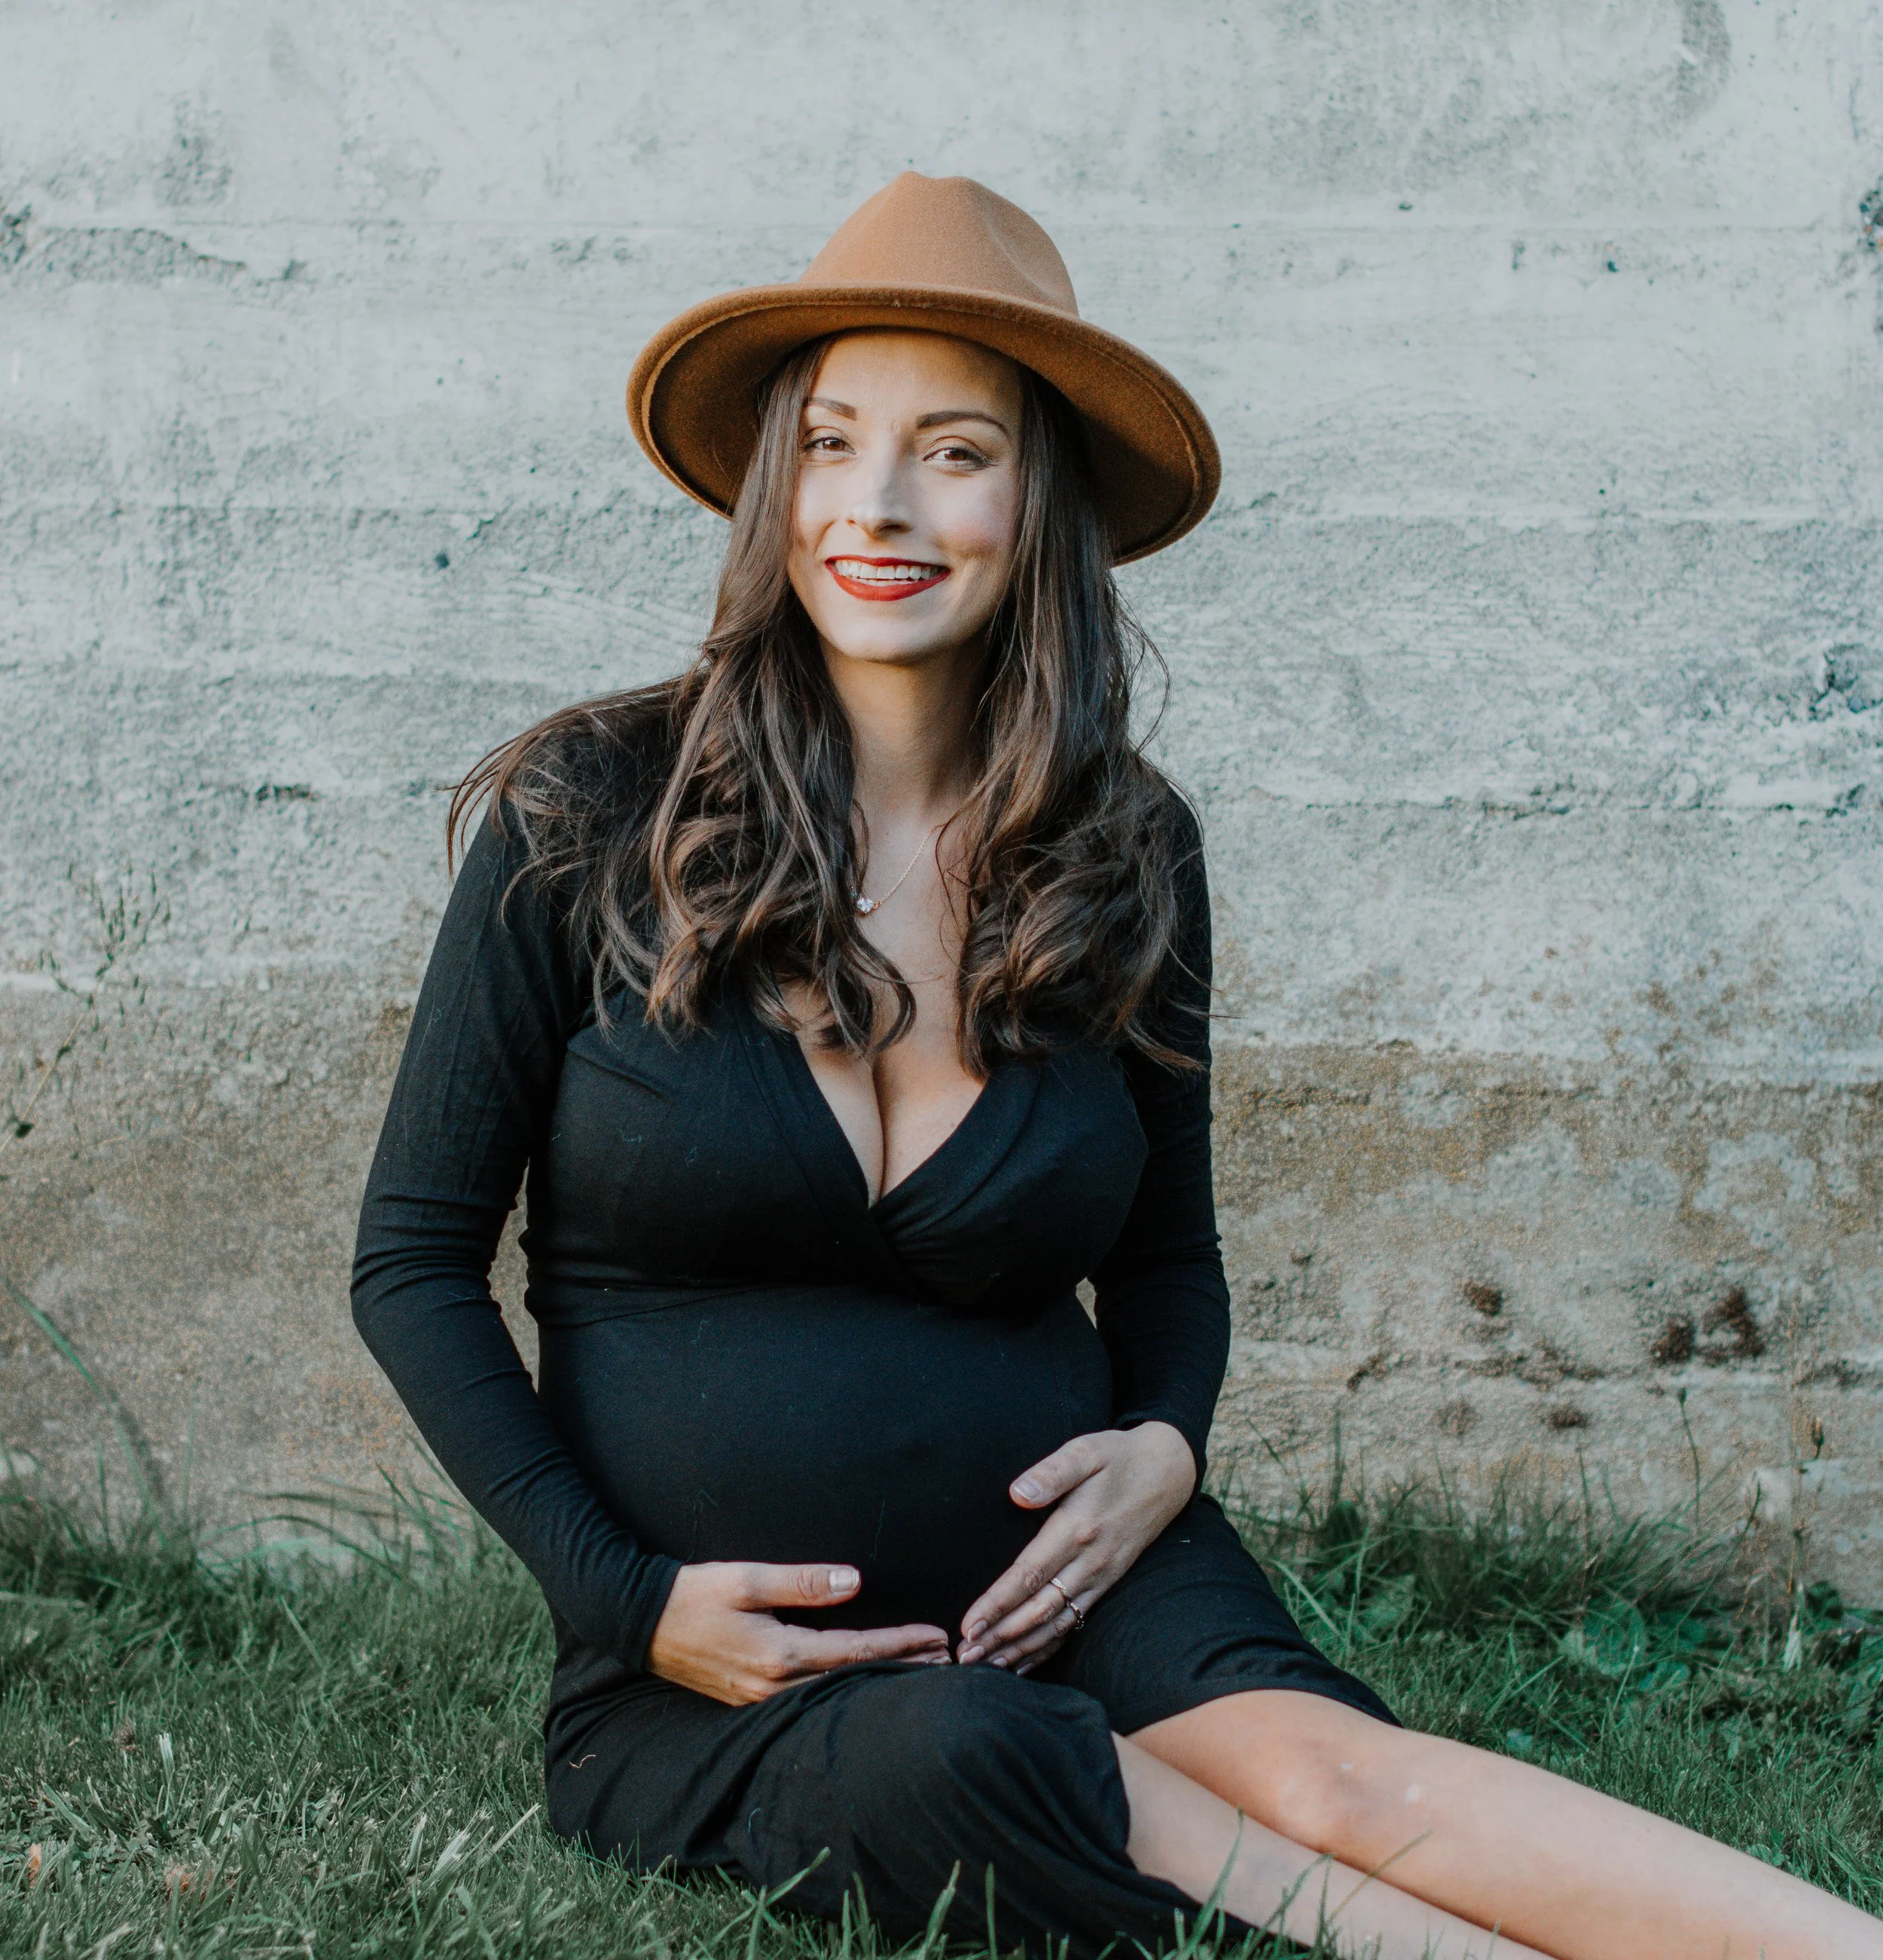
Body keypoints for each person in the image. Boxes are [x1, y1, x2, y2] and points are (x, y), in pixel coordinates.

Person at [352, 173, 1878, 1959]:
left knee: (1339, 1779)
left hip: (1082, 1580)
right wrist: (634, 1603)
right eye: (833, 441)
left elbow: (1165, 1258)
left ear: (1039, 499)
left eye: (953, 451)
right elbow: (411, 1263)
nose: (880, 504)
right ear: (776, 488)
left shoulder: (1124, 845)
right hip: (719, 1679)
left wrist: (1164, 1437)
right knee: (984, 1759)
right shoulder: (583, 814)